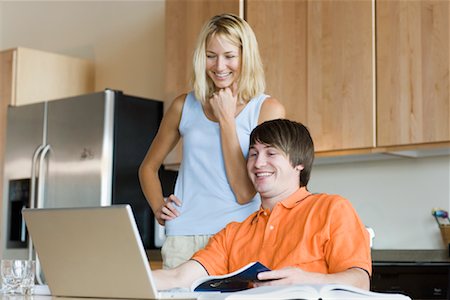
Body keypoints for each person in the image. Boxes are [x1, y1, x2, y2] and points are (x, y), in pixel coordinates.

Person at [153, 119, 372, 290]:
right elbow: (179, 277)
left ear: (299, 163)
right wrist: (122, 275)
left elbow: (360, 281)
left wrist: (307, 280)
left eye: (271, 153)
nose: (258, 163)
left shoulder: (332, 209)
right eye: (254, 154)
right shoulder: (232, 234)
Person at [139, 13, 285, 268]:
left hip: (240, 235)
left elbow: (244, 192)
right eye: (210, 56)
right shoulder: (184, 106)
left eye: (230, 56)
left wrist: (226, 119)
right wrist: (158, 207)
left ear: (245, 56)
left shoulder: (267, 110)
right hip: (183, 238)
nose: (219, 66)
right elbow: (147, 168)